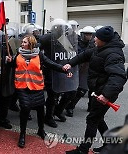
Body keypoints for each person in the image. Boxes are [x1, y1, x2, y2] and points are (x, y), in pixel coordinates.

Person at [65, 26, 127, 154]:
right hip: (97, 90)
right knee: (98, 118)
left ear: (103, 40)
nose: (94, 39)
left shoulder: (114, 54)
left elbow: (118, 77)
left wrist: (106, 95)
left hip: (104, 93)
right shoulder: (99, 48)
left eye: (96, 37)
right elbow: (84, 55)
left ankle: (83, 150)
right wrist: (70, 63)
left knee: (92, 119)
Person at [7, 34, 69, 148]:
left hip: (36, 87)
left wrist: (62, 69)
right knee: (25, 108)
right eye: (22, 42)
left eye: (25, 42)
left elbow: (50, 64)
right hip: (22, 87)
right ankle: (22, 134)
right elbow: (12, 65)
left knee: (40, 109)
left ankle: (41, 130)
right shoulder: (18, 54)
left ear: (31, 44)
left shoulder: (39, 54)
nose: (22, 44)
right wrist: (10, 61)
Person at [65, 26, 96, 117]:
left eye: (90, 34)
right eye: (87, 34)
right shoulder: (76, 42)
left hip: (86, 69)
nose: (89, 36)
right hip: (75, 67)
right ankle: (63, 105)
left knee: (82, 90)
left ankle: (70, 106)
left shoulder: (94, 44)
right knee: (71, 89)